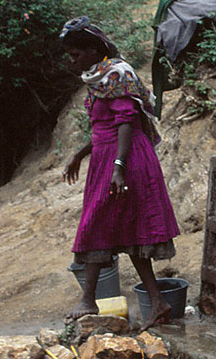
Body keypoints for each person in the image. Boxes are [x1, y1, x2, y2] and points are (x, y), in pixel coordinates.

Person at [59, 16, 180, 331]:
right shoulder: (98, 77)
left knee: (96, 223)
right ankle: (157, 303)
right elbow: (103, 126)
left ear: (93, 48)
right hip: (106, 160)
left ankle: (89, 299)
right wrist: (79, 154)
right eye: (70, 55)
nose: (73, 60)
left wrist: (119, 167)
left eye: (76, 54)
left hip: (126, 160)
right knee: (123, 231)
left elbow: (127, 122)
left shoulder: (118, 74)